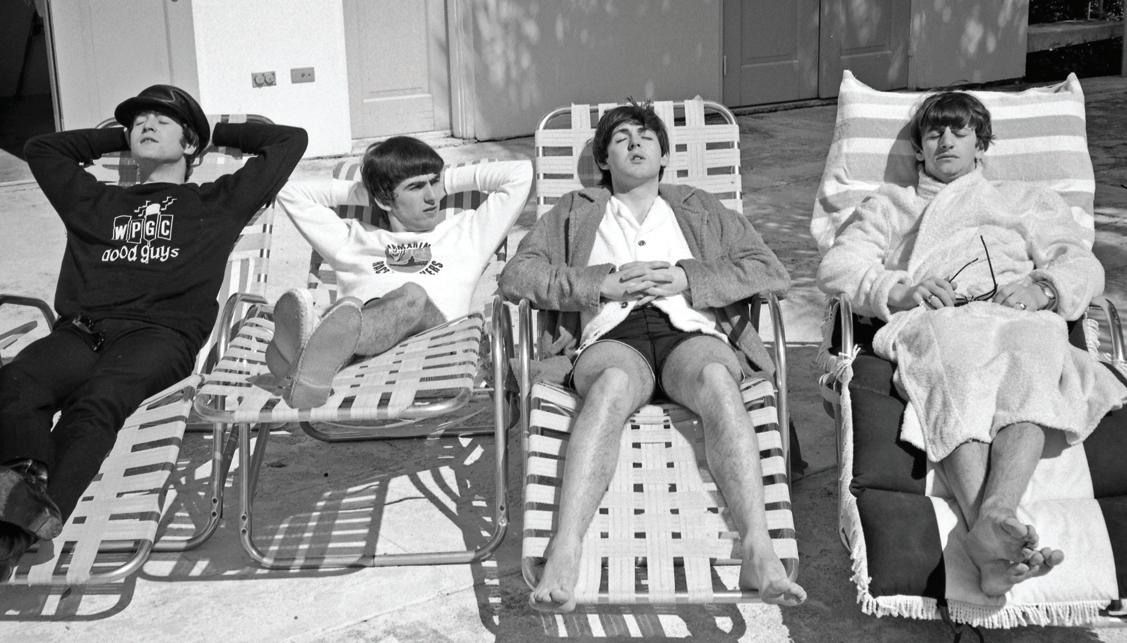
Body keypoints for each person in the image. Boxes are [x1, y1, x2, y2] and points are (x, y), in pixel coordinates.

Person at [816, 91, 1127, 597]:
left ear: (980, 145)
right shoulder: (891, 204)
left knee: (1031, 368)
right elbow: (838, 266)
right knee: (957, 370)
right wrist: (898, 289)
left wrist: (1044, 289)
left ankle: (992, 523)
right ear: (918, 148)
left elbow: (1081, 263)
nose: (945, 141)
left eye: (959, 132)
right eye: (934, 133)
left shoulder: (1024, 199)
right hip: (938, 317)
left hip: (1018, 316)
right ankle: (994, 522)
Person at [498, 102, 806, 612]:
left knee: (718, 377)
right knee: (610, 387)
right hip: (610, 336)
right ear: (604, 160)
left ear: (664, 155)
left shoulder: (699, 207)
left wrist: (688, 278)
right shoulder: (575, 210)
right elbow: (517, 275)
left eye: (646, 136)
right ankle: (565, 549)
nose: (635, 143)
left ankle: (758, 547)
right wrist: (600, 284)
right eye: (621, 138)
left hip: (690, 329)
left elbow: (769, 270)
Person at [0, 84, 308, 579]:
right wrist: (115, 139)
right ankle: (23, 501)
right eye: (138, 121)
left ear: (190, 145)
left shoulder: (218, 202)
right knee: (16, 383)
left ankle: (18, 532)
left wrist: (212, 131)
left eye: (163, 121)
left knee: (98, 403)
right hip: (82, 332)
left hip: (160, 337)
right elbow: (43, 149)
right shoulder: (93, 200)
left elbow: (290, 141)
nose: (146, 125)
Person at [266, 138, 531, 408]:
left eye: (434, 182)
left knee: (413, 297)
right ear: (383, 199)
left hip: (439, 357)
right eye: (415, 187)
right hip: (360, 365)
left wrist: (446, 181)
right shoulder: (353, 239)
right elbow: (288, 191)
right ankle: (315, 367)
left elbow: (520, 173)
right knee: (349, 306)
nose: (432, 197)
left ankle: (305, 355)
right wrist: (372, 193)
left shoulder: (467, 233)